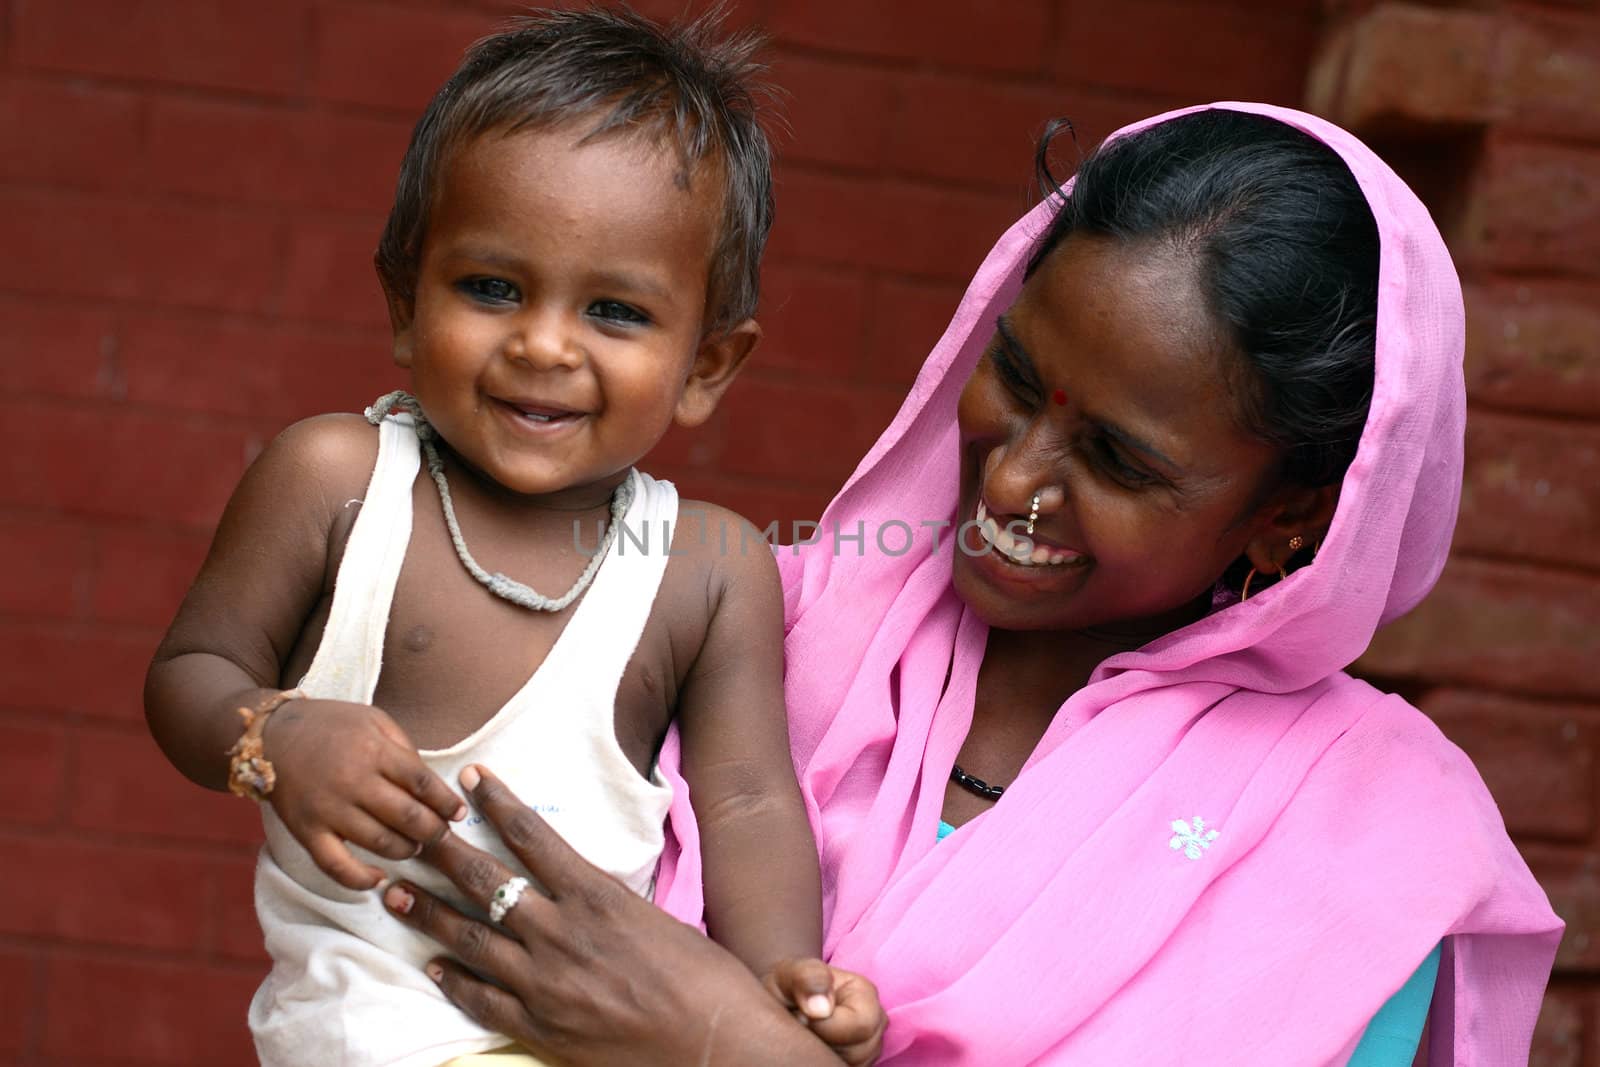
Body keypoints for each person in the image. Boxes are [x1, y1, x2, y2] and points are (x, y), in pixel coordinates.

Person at [378, 102, 1564, 1065]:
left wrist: (726, 1041)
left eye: (1116, 459)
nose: (1017, 478)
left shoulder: (1365, 845)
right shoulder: (736, 619)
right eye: (1013, 372)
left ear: (1289, 513)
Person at [142, 9, 883, 1067]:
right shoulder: (338, 483)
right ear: (405, 304)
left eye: (616, 311)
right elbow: (188, 672)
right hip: (377, 1029)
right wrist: (274, 734)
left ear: (707, 366)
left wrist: (779, 982)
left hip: (617, 1033)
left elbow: (750, 796)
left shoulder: (707, 570)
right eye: (490, 288)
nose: (542, 343)